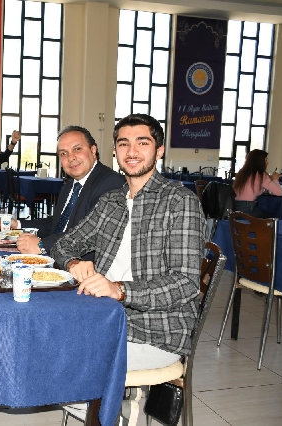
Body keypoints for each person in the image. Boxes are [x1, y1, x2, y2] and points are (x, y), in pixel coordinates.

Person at [50, 113, 205, 372]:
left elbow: (185, 283)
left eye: (142, 143)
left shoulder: (179, 201)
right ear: (115, 151)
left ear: (159, 151)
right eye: (124, 144)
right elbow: (63, 244)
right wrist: (74, 262)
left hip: (155, 332)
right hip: (103, 315)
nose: (131, 151)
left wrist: (119, 290)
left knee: (63, 357)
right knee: (39, 331)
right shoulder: (111, 201)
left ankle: (98, 398)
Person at [0, 126, 125, 254]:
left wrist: (42, 245)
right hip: (58, 255)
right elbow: (56, 223)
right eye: (63, 153)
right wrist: (18, 224)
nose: (71, 157)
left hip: (81, 262)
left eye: (77, 149)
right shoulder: (70, 185)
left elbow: (91, 233)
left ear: (93, 150)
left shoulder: (111, 183)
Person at [232, 149, 282, 218]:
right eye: (266, 160)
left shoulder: (243, 173)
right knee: (275, 215)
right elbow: (279, 192)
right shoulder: (260, 175)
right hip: (248, 209)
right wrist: (275, 180)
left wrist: (270, 178)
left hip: (236, 208)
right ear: (260, 161)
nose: (268, 163)